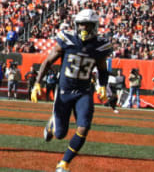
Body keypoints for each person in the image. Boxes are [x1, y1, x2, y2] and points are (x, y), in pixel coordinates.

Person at [31, 9, 112, 172]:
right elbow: (47, 61)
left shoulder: (99, 46)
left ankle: (64, 163)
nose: (83, 28)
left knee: (84, 126)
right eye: (81, 24)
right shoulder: (67, 40)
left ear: (94, 27)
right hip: (64, 91)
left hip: (84, 92)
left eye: (87, 25)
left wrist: (102, 85)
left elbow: (103, 69)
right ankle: (52, 123)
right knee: (60, 134)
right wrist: (37, 83)